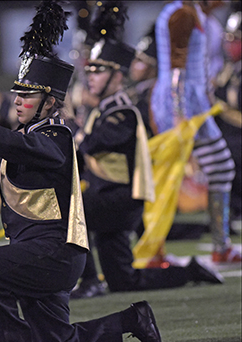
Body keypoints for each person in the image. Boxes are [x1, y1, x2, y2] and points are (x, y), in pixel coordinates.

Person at [0, 1, 161, 342]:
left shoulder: (56, 136)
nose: (17, 100)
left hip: (55, 252)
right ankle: (134, 319)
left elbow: (18, 146)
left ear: (50, 102)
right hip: (34, 251)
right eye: (16, 93)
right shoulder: (24, 136)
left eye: (27, 95)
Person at [70, 1, 223, 300]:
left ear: (117, 77)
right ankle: (189, 271)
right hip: (108, 197)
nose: (91, 77)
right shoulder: (100, 111)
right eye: (91, 70)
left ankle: (88, 280)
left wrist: (75, 127)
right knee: (125, 281)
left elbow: (90, 144)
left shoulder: (123, 113)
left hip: (120, 200)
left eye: (99, 71)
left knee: (71, 213)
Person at [149, 0, 240, 264]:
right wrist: (179, 116)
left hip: (188, 102)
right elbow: (178, 68)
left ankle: (219, 245)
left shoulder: (186, 10)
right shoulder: (183, 13)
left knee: (215, 168)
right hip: (184, 105)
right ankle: (156, 250)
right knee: (170, 176)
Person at [214, 4, 241, 231]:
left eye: (236, 38)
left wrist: (218, 107)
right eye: (229, 38)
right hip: (229, 135)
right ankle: (227, 218)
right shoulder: (228, 68)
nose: (231, 44)